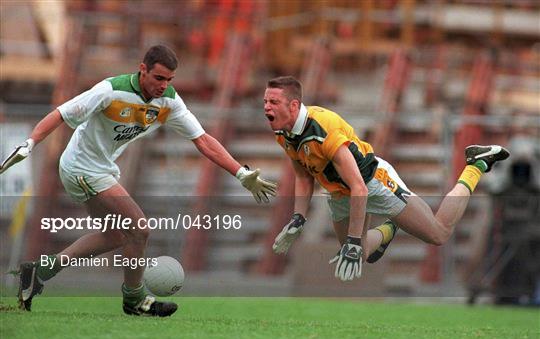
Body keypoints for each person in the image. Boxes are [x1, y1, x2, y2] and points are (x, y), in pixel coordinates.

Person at [0, 45, 277, 317]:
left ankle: (38, 271)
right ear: (142, 69)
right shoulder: (110, 91)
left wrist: (241, 173)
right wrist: (31, 143)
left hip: (103, 169)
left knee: (116, 236)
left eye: (169, 80)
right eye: (158, 78)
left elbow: (203, 140)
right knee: (140, 229)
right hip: (80, 168)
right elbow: (61, 112)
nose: (163, 85)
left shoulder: (168, 101)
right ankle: (134, 299)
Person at [265, 76, 509, 282]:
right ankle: (389, 230)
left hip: (373, 182)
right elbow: (303, 176)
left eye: (273, 102)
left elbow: (359, 187)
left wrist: (352, 240)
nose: (267, 107)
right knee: (358, 255)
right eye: (265, 101)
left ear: (294, 106)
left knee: (439, 233)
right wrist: (298, 218)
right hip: (340, 192)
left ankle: (476, 164)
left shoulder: (322, 129)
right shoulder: (283, 133)